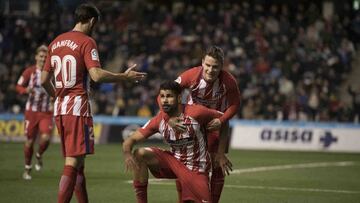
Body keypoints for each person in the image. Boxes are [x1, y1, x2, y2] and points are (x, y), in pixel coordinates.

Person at [41, 3, 146, 203]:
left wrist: (56, 95)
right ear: (92, 21)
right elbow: (96, 76)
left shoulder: (55, 42)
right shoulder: (87, 42)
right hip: (77, 108)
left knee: (78, 164)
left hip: (61, 109)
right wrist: (123, 77)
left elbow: (44, 80)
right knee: (72, 162)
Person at [123, 81, 232, 203]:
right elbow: (130, 140)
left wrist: (221, 153)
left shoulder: (196, 112)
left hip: (196, 168)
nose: (164, 100)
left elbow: (224, 120)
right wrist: (127, 153)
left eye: (169, 96)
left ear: (179, 98)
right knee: (139, 154)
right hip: (174, 163)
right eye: (162, 96)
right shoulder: (159, 120)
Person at [171, 46, 241, 203]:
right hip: (192, 125)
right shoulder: (191, 75)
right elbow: (167, 92)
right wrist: (169, 117)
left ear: (221, 67)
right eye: (208, 65)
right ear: (202, 62)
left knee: (217, 163)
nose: (210, 70)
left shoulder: (228, 82)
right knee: (183, 165)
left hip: (215, 126)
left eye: (215, 66)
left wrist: (221, 121)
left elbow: (235, 105)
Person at [16, 45, 54, 180]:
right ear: (36, 57)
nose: (43, 59)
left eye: (45, 56)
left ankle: (39, 155)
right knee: (29, 142)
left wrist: (54, 98)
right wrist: (25, 90)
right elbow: (18, 85)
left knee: (46, 138)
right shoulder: (29, 72)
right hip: (31, 113)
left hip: (46, 112)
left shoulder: (52, 72)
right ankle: (27, 168)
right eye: (41, 56)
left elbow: (57, 89)